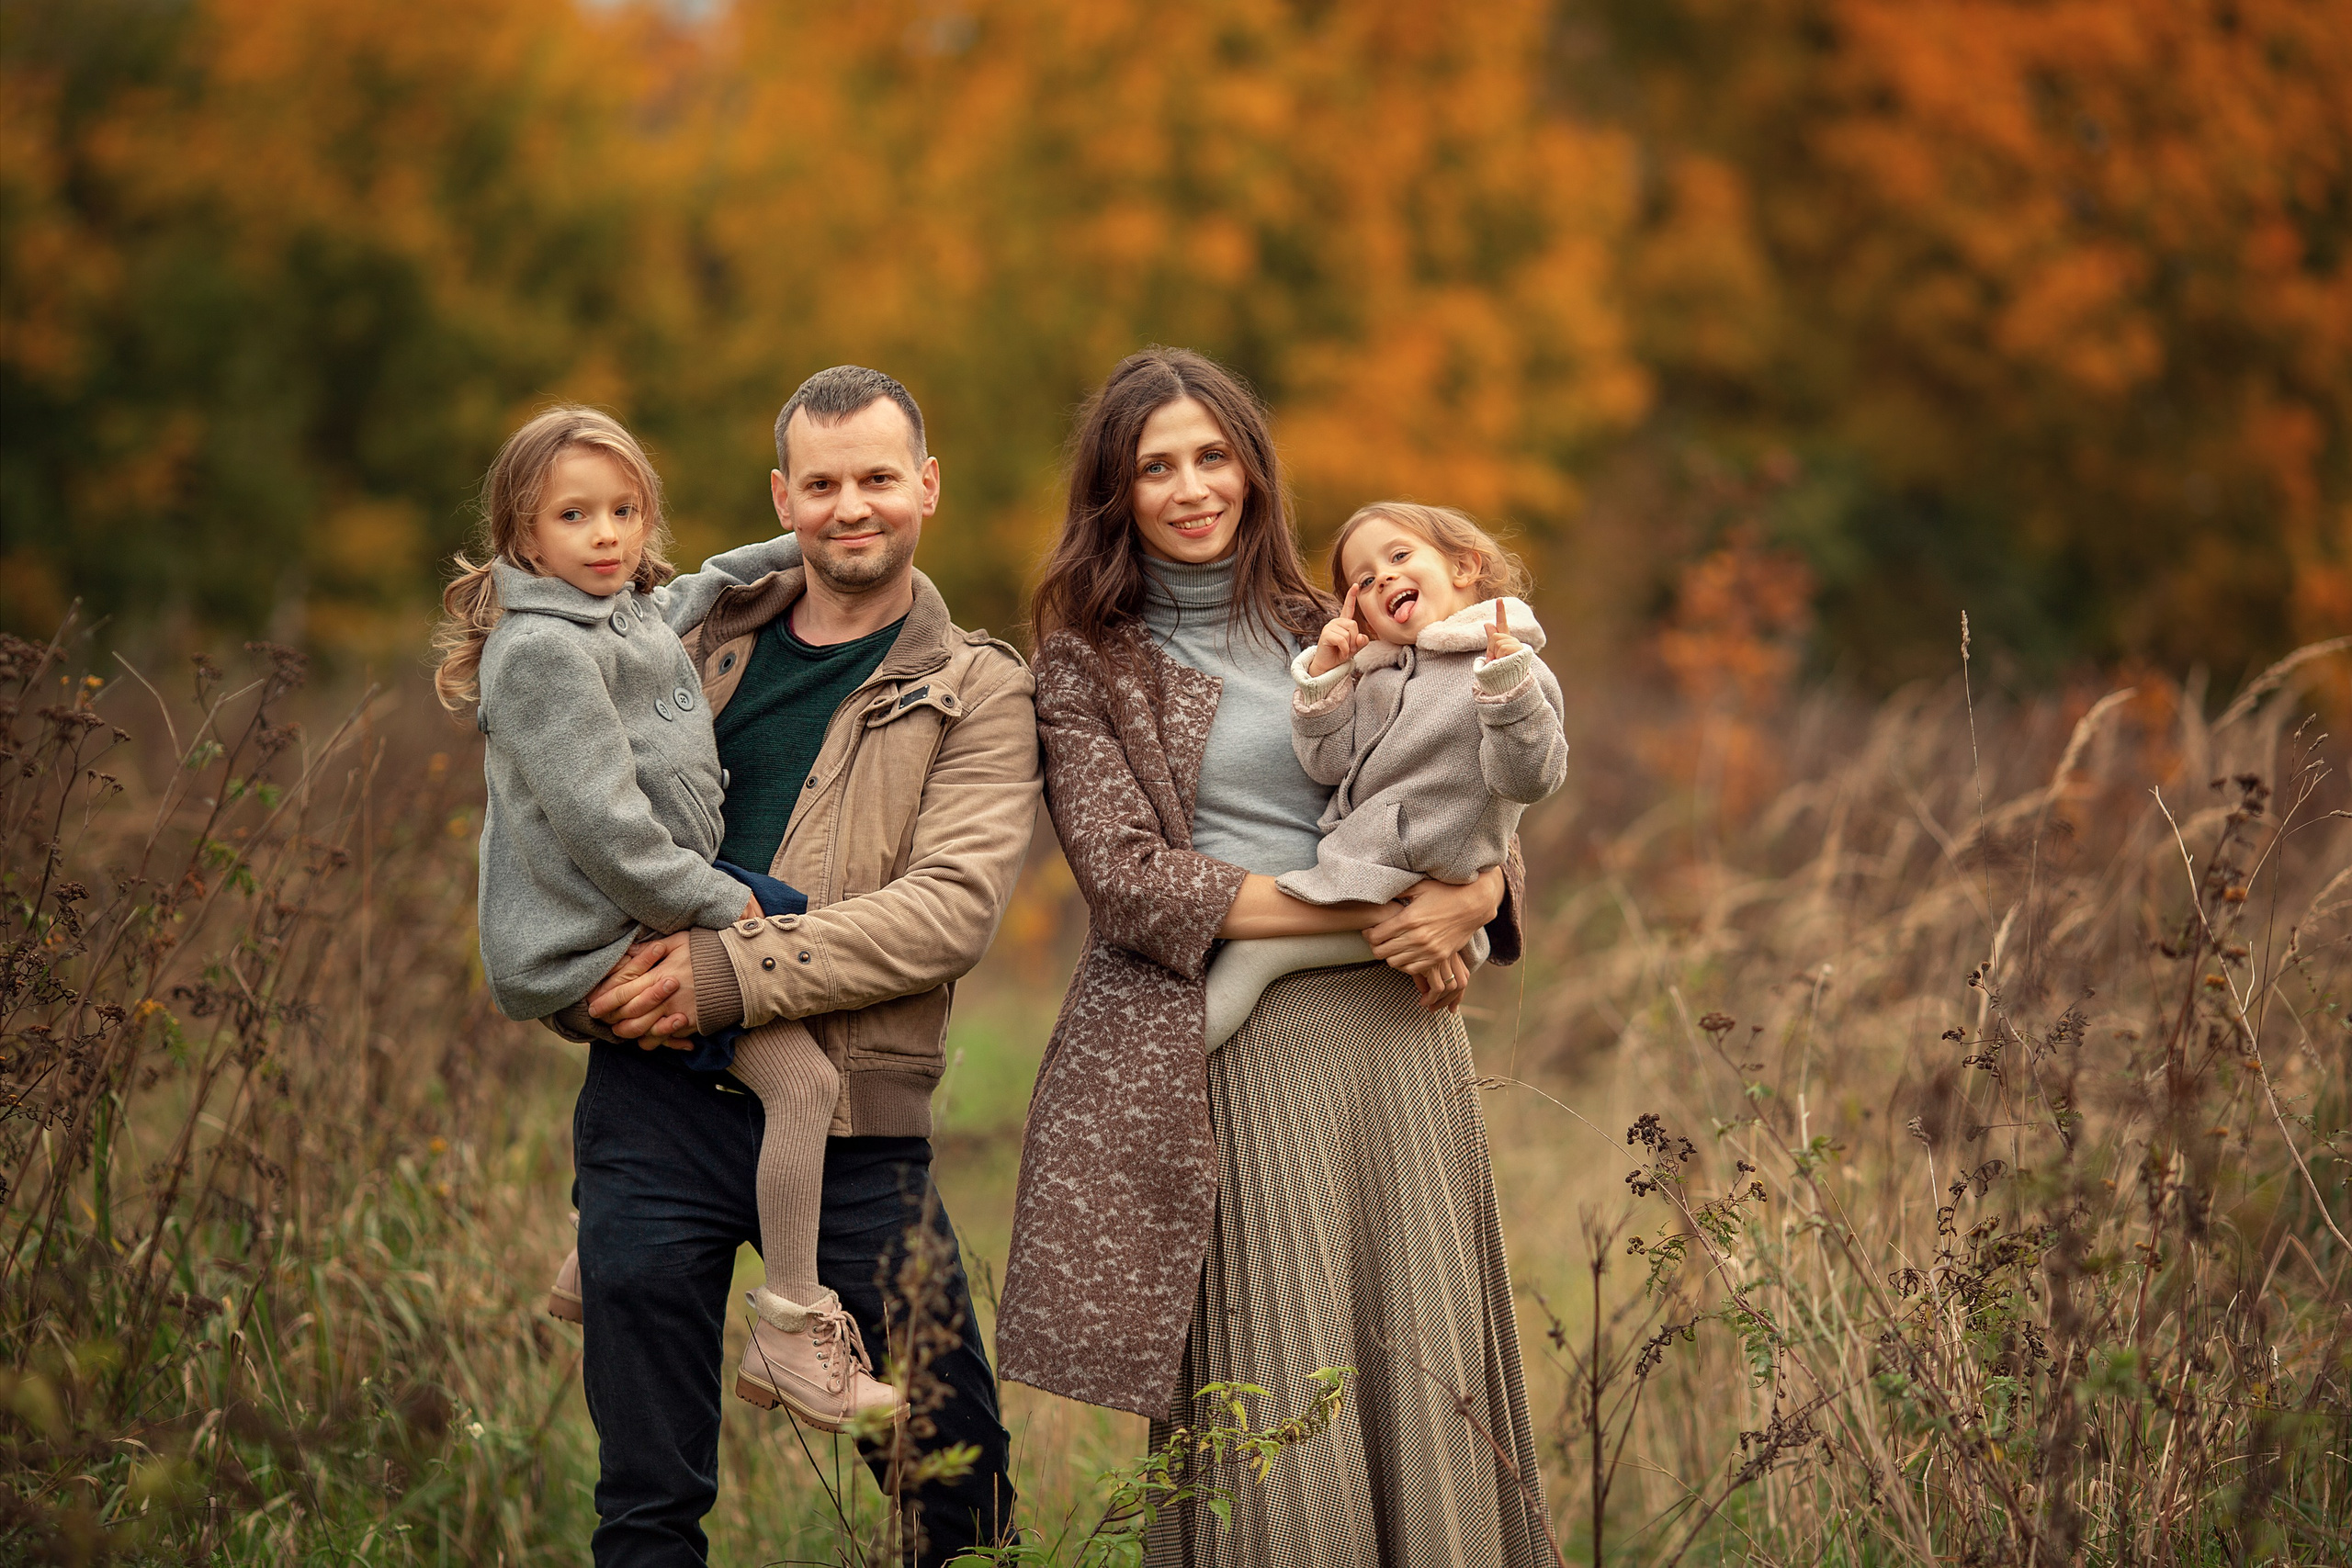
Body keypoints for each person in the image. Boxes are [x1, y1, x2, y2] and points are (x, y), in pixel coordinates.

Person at [996, 347, 1553, 1564]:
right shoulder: (1090, 663)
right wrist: (1370, 914)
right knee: (1279, 1380)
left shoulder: (1334, 617)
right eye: (1157, 466)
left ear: (1254, 468)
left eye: (1213, 455)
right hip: (1243, 1054)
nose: (1193, 487)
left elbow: (1475, 778)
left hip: (1404, 1039)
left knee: (1425, 1370)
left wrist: (1475, 897)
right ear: (1116, 490)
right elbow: (1135, 884)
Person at [568, 368, 1038, 1565]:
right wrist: (579, 977)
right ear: (783, 494)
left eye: (879, 477)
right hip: (653, 1100)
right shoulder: (684, 636)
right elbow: (561, 806)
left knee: (957, 1497)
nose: (852, 507)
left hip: (856, 1127)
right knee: (646, 1506)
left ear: (926, 485)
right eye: (821, 483)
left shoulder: (980, 689)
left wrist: (731, 972)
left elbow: (948, 911)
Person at [433, 405, 900, 1436]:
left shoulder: (626, 610)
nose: (606, 536)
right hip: (613, 924)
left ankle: (588, 1251)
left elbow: (711, 580)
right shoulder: (542, 654)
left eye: (625, 512)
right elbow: (603, 829)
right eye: (574, 516)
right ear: (523, 534)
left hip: (639, 907)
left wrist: (816, 532)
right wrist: (719, 905)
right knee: (807, 1077)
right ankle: (791, 1330)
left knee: (740, 1031)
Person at [1200, 501, 1568, 1048]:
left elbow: (1527, 781)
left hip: (1408, 881)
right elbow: (1327, 766)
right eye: (1365, 581)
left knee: (1253, 958)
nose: (1385, 577)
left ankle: (1156, 1081)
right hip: (1372, 875)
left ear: (1462, 568)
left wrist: (1507, 691)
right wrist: (1325, 680)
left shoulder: (1510, 665)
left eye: (1399, 555)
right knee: (1251, 961)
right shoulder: (1379, 677)